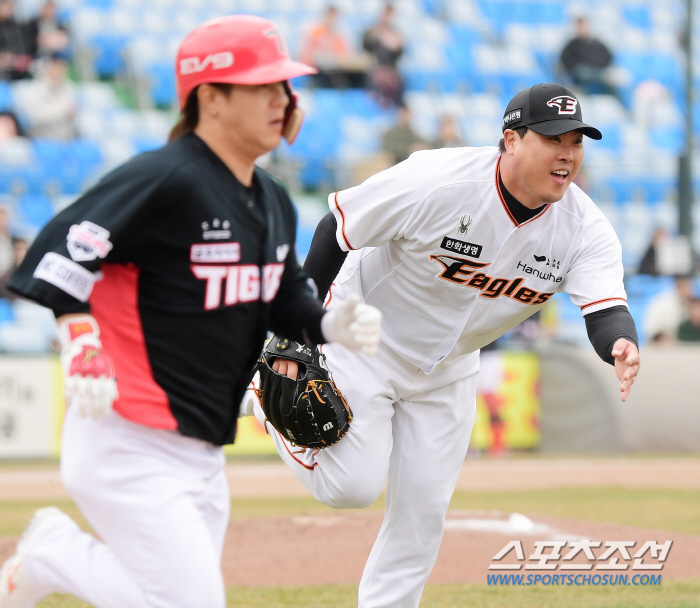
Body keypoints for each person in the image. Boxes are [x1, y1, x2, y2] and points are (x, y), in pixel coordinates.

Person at [0, 16, 380, 608]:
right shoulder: (166, 178)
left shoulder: (272, 199)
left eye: (285, 87)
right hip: (127, 437)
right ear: (212, 98)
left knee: (158, 595)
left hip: (201, 445)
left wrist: (329, 324)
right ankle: (52, 552)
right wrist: (79, 337)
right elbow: (59, 247)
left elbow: (283, 300)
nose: (284, 100)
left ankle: (52, 552)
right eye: (264, 87)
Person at [254, 83, 641, 608]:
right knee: (351, 488)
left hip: (450, 366)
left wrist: (620, 343)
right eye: (554, 138)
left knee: (423, 511)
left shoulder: (583, 229)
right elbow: (336, 230)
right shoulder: (437, 179)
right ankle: (264, 389)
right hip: (365, 337)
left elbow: (605, 311)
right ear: (511, 140)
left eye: (577, 141)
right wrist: (291, 338)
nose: (568, 153)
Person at [21, 53, 76, 140]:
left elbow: (72, 110)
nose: (60, 71)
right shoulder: (34, 89)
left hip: (66, 137)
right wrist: (62, 111)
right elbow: (36, 117)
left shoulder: (67, 86)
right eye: (56, 66)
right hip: (42, 137)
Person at [559, 16, 616, 97]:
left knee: (612, 84)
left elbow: (607, 57)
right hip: (580, 75)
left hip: (598, 71)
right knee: (583, 72)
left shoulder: (597, 43)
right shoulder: (571, 45)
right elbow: (566, 61)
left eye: (583, 26)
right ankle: (603, 78)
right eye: (579, 26)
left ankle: (616, 103)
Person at [362, 3, 404, 108]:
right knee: (375, 81)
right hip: (375, 68)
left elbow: (398, 53)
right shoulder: (373, 30)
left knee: (399, 82)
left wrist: (397, 46)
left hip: (390, 70)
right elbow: (366, 47)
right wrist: (375, 36)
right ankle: (375, 106)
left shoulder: (394, 33)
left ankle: (395, 109)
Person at [299, 5, 352, 89]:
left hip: (335, 69)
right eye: (330, 16)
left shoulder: (340, 34)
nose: (332, 19)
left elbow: (344, 56)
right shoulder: (315, 31)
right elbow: (306, 53)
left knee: (343, 81)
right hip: (317, 69)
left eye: (334, 17)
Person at [643, 275, 694, 343]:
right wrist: (663, 337)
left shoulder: (695, 305)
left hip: (688, 346)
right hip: (662, 347)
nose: (687, 290)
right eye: (683, 286)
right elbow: (650, 329)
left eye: (689, 287)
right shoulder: (660, 303)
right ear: (676, 287)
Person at [0, 0, 33, 80]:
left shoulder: (14, 26)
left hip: (16, 65)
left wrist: (18, 58)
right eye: (6, 7)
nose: (9, 10)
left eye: (10, 7)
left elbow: (21, 45)